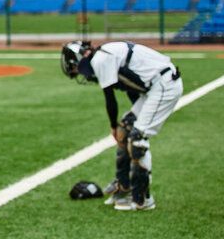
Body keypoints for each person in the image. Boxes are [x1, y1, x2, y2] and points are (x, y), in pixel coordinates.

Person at [61, 40, 182, 211]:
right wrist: (129, 121)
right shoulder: (104, 55)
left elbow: (110, 98)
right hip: (156, 86)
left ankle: (142, 199)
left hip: (164, 85)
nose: (77, 71)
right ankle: (124, 186)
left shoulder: (100, 60)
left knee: (137, 137)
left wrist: (113, 126)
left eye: (74, 67)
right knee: (126, 129)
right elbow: (133, 89)